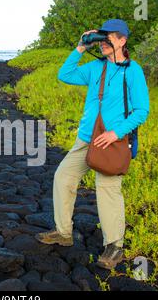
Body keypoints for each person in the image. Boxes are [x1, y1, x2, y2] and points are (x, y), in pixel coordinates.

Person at [35, 19, 150, 270]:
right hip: (86, 138)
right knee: (63, 177)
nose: (105, 42)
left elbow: (142, 110)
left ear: (122, 40)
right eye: (102, 36)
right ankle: (63, 233)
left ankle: (114, 246)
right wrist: (81, 47)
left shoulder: (133, 71)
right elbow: (64, 74)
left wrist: (115, 133)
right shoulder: (95, 68)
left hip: (112, 140)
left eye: (110, 37)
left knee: (107, 188)